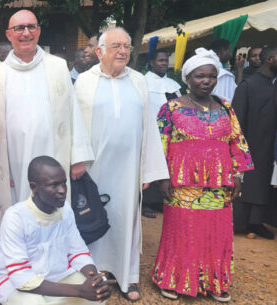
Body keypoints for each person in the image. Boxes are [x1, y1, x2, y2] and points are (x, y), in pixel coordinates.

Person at [74, 27, 169, 302]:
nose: (123, 51)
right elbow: (74, 125)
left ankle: (126, 278)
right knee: (91, 218)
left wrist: (148, 169)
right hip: (94, 168)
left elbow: (149, 127)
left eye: (126, 46)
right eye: (116, 46)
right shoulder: (84, 82)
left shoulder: (138, 81)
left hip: (128, 169)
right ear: (100, 51)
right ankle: (92, 277)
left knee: (125, 220)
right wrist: (76, 160)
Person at [152, 47, 254, 302]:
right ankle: (173, 280)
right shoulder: (171, 108)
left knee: (216, 233)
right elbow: (158, 144)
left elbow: (237, 143)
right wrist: (162, 178)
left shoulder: (226, 108)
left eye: (210, 76)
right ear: (188, 78)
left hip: (219, 184)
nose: (205, 81)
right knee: (183, 232)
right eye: (199, 76)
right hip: (181, 184)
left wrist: (239, 176)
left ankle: (214, 282)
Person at [0, 10, 93, 232]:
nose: (26, 33)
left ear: (39, 31)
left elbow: (73, 111)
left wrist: (78, 157)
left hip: (53, 156)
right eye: (19, 28)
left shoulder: (57, 67)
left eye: (31, 27)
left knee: (52, 218)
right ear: (8, 34)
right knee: (16, 218)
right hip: (12, 160)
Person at [0, 156, 115, 305]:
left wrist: (93, 279)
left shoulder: (66, 210)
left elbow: (78, 251)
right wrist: (80, 291)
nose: (62, 190)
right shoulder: (16, 217)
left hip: (53, 272)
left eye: (64, 183)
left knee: (96, 296)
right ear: (34, 187)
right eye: (54, 185)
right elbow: (21, 277)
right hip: (8, 277)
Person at [231, 45, 277, 240]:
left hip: (271, 146)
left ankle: (257, 223)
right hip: (251, 144)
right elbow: (236, 121)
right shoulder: (248, 86)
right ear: (270, 60)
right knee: (250, 183)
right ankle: (242, 222)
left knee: (266, 184)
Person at [143, 49, 182, 218]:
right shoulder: (143, 82)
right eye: (160, 60)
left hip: (170, 133)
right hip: (151, 129)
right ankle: (145, 203)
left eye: (166, 60)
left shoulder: (173, 85)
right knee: (149, 162)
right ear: (151, 63)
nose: (164, 63)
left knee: (165, 164)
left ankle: (160, 200)